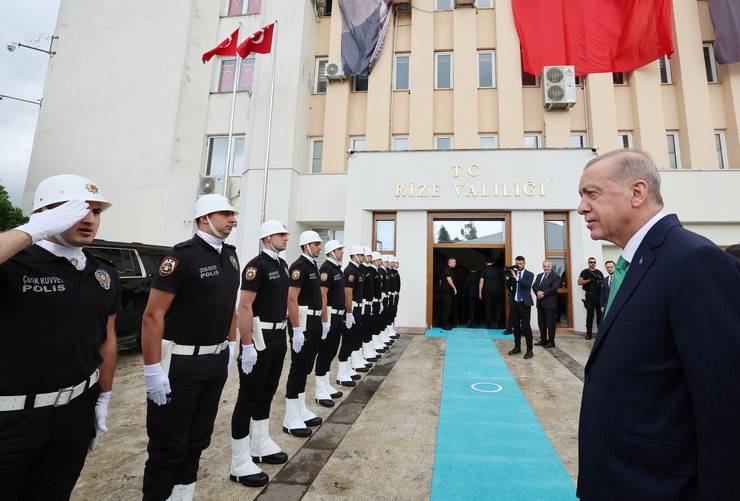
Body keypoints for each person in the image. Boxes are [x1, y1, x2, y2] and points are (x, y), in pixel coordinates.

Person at [576, 149, 740, 500]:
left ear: (637, 192)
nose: (581, 208)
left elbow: (724, 407)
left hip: (657, 485)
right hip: (615, 478)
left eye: (592, 194)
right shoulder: (633, 262)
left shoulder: (693, 261)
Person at [0, 175, 119, 500]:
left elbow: (107, 338)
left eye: (96, 211)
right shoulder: (14, 263)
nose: (89, 219)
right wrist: (31, 231)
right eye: (77, 210)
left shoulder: (103, 273)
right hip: (11, 420)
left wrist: (103, 396)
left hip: (75, 414)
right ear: (45, 212)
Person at [140, 194, 240, 500]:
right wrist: (152, 369)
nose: (232, 219)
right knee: (168, 446)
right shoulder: (181, 256)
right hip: (181, 364)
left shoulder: (231, 255)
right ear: (204, 218)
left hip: (214, 360)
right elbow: (152, 315)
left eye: (233, 214)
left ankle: (183, 495)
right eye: (225, 214)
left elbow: (230, 305)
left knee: (198, 439)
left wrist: (233, 345)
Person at [229, 220, 290, 488]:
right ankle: (239, 460)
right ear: (267, 238)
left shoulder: (282, 265)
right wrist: (247, 343)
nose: (286, 238)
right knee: (249, 396)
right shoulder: (256, 266)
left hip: (279, 334)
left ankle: (260, 443)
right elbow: (244, 307)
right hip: (260, 335)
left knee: (268, 391)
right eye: (280, 234)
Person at [282, 231, 325, 437]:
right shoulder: (299, 266)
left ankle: (300, 409)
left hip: (314, 321)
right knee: (298, 366)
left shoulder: (312, 266)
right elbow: (292, 299)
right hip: (304, 321)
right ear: (306, 246)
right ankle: (290, 418)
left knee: (307, 364)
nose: (319, 247)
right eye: (316, 244)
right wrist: (297, 328)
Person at [314, 240, 348, 407]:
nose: (342, 252)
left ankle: (326, 385)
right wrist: (324, 320)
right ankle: (320, 391)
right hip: (330, 317)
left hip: (338, 317)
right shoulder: (326, 269)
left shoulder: (337, 269)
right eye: (339, 249)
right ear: (331, 252)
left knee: (331, 351)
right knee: (325, 352)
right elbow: (323, 296)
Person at [337, 245, 366, 387]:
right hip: (352, 309)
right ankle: (341, 374)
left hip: (358, 309)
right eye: (361, 255)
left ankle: (347, 369)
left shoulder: (357, 270)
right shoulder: (350, 271)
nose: (363, 257)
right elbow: (348, 293)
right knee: (348, 340)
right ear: (355, 256)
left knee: (353, 339)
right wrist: (349, 313)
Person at [505, 256, 534, 359]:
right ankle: (517, 347)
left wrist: (516, 277)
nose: (519, 265)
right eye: (517, 264)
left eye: (521, 264)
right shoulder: (513, 274)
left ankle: (530, 350)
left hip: (525, 304)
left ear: (524, 263)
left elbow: (527, 285)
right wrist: (508, 279)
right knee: (515, 327)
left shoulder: (529, 274)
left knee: (526, 327)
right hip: (515, 304)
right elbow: (509, 288)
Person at [532, 260, 559, 348]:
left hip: (550, 303)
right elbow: (534, 286)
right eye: (544, 266)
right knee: (541, 323)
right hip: (540, 303)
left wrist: (542, 293)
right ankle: (543, 340)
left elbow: (554, 288)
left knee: (550, 323)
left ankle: (551, 342)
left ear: (551, 267)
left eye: (548, 266)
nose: (546, 268)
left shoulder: (555, 276)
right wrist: (537, 292)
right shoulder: (539, 276)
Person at [578, 257, 604, 340]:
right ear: (588, 263)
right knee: (590, 315)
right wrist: (589, 280)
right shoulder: (585, 272)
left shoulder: (599, 272)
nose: (592, 263)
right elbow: (579, 282)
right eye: (591, 262)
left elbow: (603, 283)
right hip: (590, 296)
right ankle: (589, 334)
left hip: (599, 295)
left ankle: (600, 333)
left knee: (600, 315)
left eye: (594, 262)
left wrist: (600, 281)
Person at [479, 257, 504, 329]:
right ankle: (498, 325)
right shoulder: (497, 270)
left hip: (487, 291)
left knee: (488, 308)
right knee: (498, 308)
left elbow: (481, 281)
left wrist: (480, 292)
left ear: (486, 263)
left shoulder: (484, 270)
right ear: (492, 263)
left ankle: (489, 325)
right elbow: (502, 280)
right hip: (498, 291)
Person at [439, 257, 457, 330]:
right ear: (450, 262)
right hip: (446, 293)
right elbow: (449, 280)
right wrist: (454, 288)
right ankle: (444, 325)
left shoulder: (449, 269)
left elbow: (440, 281)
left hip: (446, 292)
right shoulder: (447, 269)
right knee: (447, 309)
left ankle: (445, 323)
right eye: (454, 262)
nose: (455, 264)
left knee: (446, 308)